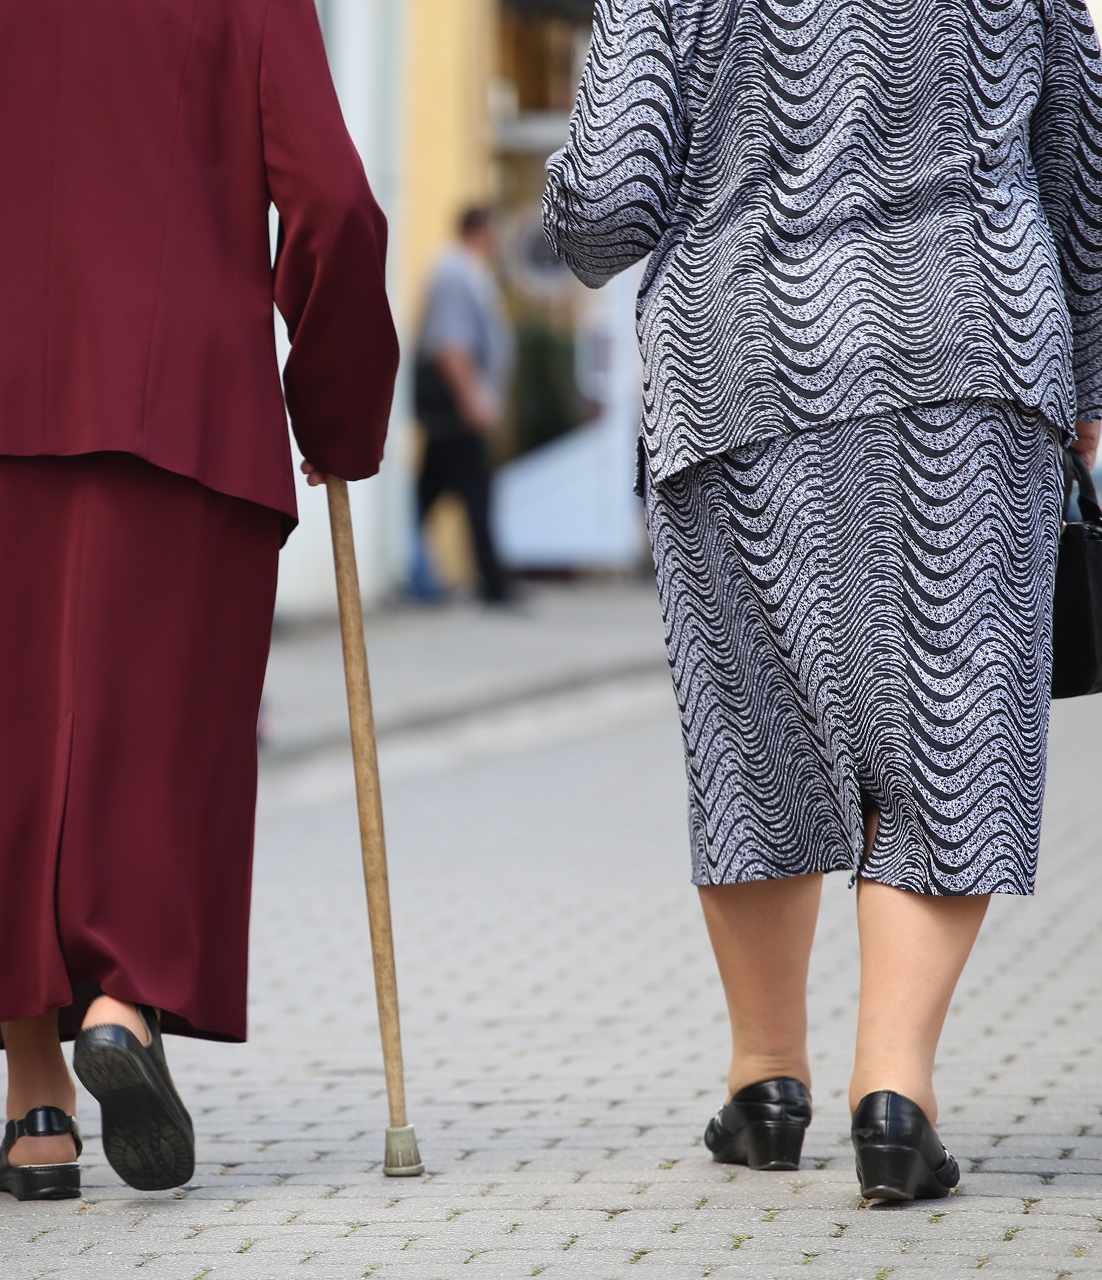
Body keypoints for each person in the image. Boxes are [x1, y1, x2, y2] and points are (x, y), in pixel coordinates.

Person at [0, 0, 397, 1200]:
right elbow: (332, 199)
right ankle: (120, 1001)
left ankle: (36, 1111)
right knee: (154, 739)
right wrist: (335, 399)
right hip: (180, 402)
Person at [545, 0, 1102, 1203]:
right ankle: (893, 1093)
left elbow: (604, 208)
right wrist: (1092, 375)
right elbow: (1080, 166)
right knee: (952, 726)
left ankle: (765, 1082)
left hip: (737, 353)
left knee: (756, 738)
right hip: (976, 342)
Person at [413, 205, 515, 606]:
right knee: (473, 493)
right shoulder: (456, 273)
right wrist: (475, 399)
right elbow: (451, 347)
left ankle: (416, 569)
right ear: (482, 230)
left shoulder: (468, 271)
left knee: (429, 492)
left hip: (455, 409)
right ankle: (492, 584)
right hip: (455, 409)